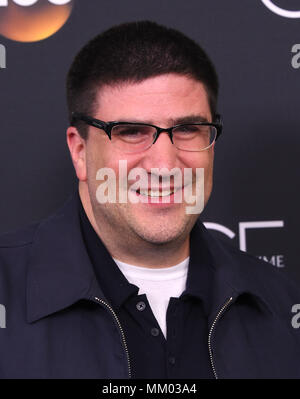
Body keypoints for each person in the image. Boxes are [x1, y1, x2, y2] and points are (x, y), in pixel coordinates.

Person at [0, 20, 300, 379]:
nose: (164, 164)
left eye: (188, 129)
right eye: (130, 132)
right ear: (80, 152)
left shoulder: (280, 302)